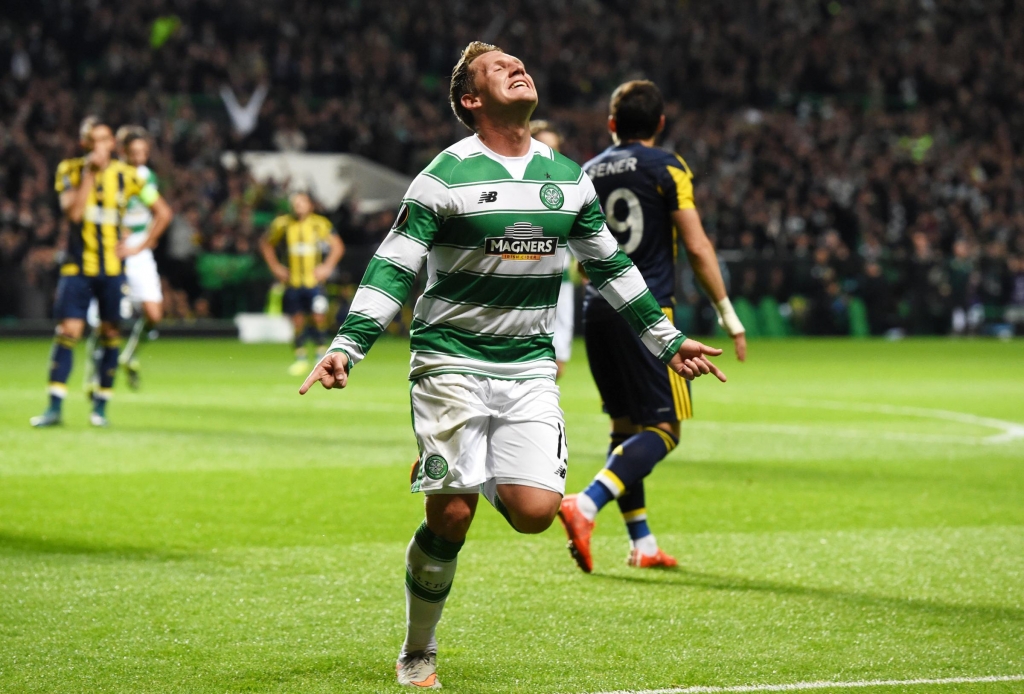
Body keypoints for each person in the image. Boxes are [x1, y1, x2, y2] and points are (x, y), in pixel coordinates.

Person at [299, 43, 727, 690]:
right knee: (452, 518)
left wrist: (667, 340)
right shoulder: (446, 175)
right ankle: (419, 649)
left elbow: (610, 265)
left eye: (518, 63)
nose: (517, 68)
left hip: (526, 365)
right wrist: (348, 345)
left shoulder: (566, 175)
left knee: (534, 512)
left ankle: (465, 472)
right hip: (450, 359)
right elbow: (395, 262)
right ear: (472, 100)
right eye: (498, 68)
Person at [559, 80, 747, 572]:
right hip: (649, 314)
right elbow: (698, 246)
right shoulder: (667, 166)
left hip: (597, 310)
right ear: (660, 124)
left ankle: (642, 545)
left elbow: (581, 257)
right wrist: (728, 314)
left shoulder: (587, 171)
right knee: (664, 428)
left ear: (611, 125)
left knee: (625, 427)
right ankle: (586, 503)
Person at [31, 119, 172, 427]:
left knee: (110, 333)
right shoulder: (69, 170)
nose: (101, 146)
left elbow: (163, 212)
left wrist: (141, 246)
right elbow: (75, 213)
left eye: (105, 140)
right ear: (85, 145)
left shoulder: (128, 176)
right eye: (94, 141)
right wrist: (89, 176)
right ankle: (54, 407)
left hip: (112, 268)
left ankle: (101, 408)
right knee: (69, 331)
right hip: (78, 266)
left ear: (112, 144)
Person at [259, 192, 344, 375]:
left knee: (318, 317)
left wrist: (326, 267)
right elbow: (266, 244)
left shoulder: (319, 224)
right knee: (296, 320)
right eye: (295, 203)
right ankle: (301, 358)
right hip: (293, 282)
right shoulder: (282, 223)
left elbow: (338, 246)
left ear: (310, 205)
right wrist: (276, 268)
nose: (298, 206)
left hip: (314, 282)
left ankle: (322, 355)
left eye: (302, 202)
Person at [530, 120, 574, 379]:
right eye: (543, 148)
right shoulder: (509, 186)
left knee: (557, 364)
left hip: (560, 287)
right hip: (518, 284)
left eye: (555, 149)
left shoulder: (571, 189)